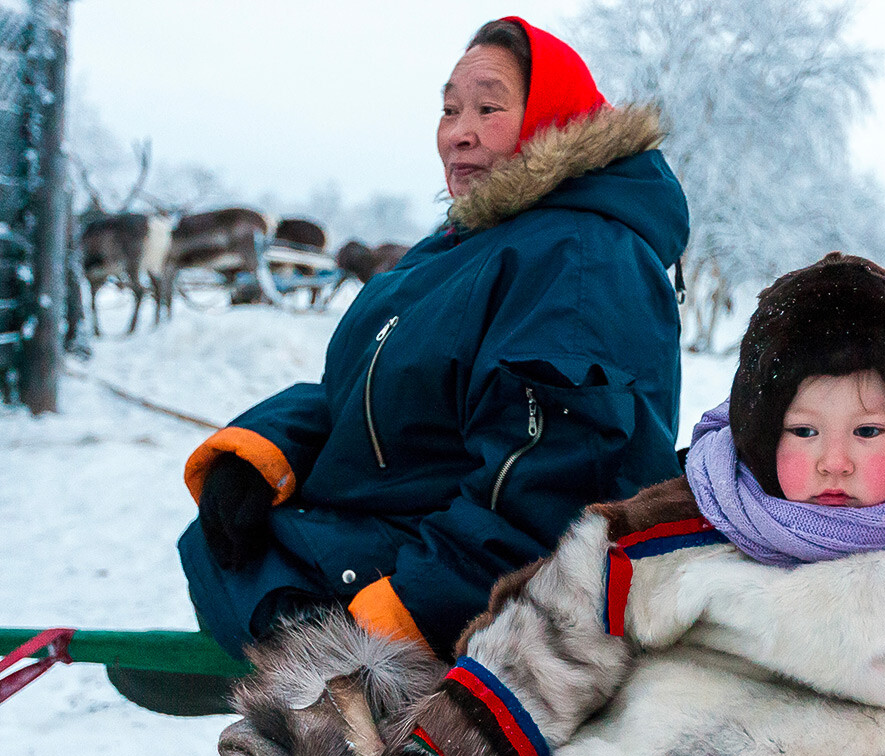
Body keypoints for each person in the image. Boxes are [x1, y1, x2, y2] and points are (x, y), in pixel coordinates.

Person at [371, 254, 885, 756]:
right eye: (805, 432)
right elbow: (560, 628)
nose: (835, 463)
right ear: (758, 430)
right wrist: (461, 746)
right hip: (651, 753)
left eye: (869, 434)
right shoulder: (682, 524)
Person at [176, 17, 689, 662]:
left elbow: (558, 484)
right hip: (387, 534)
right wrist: (259, 453)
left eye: (487, 107)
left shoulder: (578, 257)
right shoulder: (459, 248)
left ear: (553, 117)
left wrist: (404, 615)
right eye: (449, 109)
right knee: (225, 547)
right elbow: (370, 388)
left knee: (246, 574)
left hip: (453, 593)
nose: (459, 132)